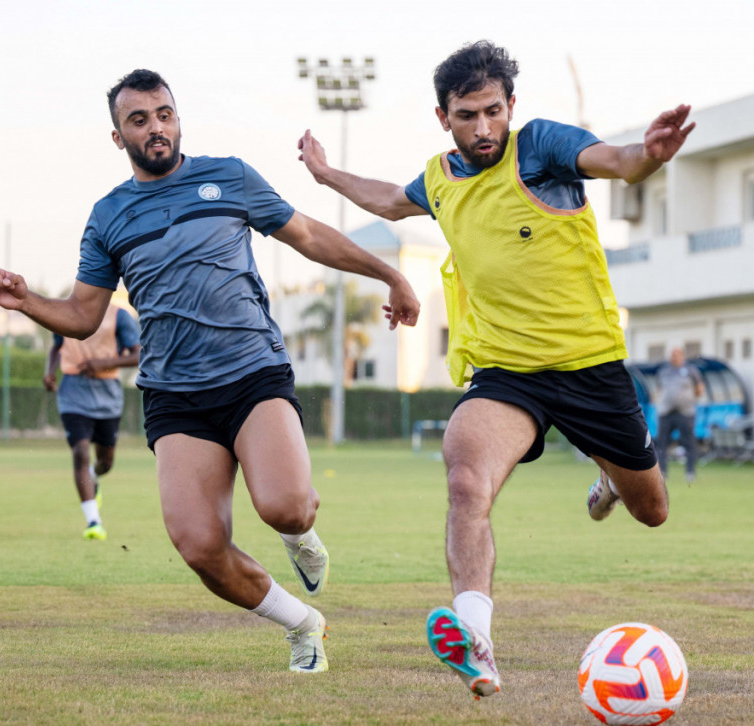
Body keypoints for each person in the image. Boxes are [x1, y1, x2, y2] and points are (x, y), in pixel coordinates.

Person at [0, 68, 420, 673]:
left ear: (178, 119)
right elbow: (82, 316)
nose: (155, 128)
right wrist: (27, 301)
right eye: (139, 120)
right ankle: (303, 625)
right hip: (174, 395)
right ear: (119, 137)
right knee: (199, 546)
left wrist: (390, 274)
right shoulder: (108, 217)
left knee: (287, 508)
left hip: (252, 372)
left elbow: (308, 235)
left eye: (164, 114)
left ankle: (299, 536)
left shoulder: (229, 176)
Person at [297, 41, 694, 697]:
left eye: (492, 112)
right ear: (443, 117)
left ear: (511, 105)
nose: (483, 128)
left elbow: (621, 162)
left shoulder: (539, 147)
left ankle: (610, 477)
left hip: (589, 365)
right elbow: (391, 200)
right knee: (465, 478)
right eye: (466, 116)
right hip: (506, 372)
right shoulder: (441, 178)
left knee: (651, 510)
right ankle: (476, 640)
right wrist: (325, 173)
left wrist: (650, 153)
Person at [44, 301, 141, 541]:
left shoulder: (119, 316)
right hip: (72, 393)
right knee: (80, 451)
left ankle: (93, 476)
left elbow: (139, 355)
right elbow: (57, 346)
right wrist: (49, 371)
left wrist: (105, 363)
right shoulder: (66, 312)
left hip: (108, 394)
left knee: (105, 462)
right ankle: (93, 521)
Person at [655, 347, 704, 483]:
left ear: (682, 356)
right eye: (672, 355)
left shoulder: (691, 371)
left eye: (676, 355)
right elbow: (659, 388)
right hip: (666, 412)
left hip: (685, 412)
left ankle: (690, 472)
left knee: (689, 442)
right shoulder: (663, 371)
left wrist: (687, 400)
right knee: (662, 443)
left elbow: (699, 389)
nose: (674, 357)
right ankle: (662, 472)